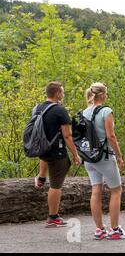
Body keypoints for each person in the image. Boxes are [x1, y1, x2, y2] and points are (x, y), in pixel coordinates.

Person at [83, 82, 125, 240]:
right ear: (102, 95)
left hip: (89, 157)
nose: (107, 96)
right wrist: (118, 155)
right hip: (104, 156)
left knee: (96, 191)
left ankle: (99, 230)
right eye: (106, 93)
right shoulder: (106, 111)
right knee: (116, 191)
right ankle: (115, 230)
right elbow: (111, 136)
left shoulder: (85, 112)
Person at [35, 82, 81, 227]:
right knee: (56, 186)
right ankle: (53, 217)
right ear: (57, 94)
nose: (63, 94)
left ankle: (41, 177)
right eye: (62, 92)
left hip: (42, 149)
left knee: (46, 161)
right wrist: (75, 154)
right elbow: (67, 136)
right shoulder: (60, 111)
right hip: (57, 152)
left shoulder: (38, 108)